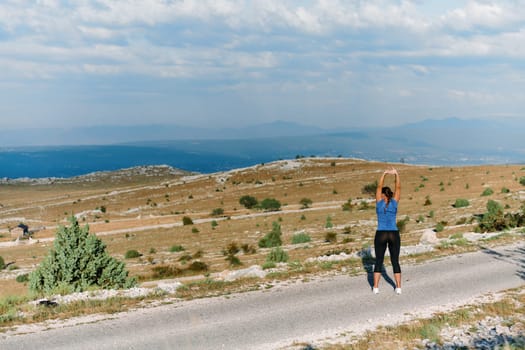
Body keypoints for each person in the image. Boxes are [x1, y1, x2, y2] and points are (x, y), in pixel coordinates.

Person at [372, 167, 402, 295]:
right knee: (395, 260)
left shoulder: (379, 203)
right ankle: (398, 287)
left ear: (382, 194)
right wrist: (396, 174)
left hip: (381, 233)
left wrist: (384, 173)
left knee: (379, 261)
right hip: (393, 233)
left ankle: (376, 287)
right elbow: (398, 188)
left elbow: (378, 187)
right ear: (390, 194)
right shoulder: (394, 202)